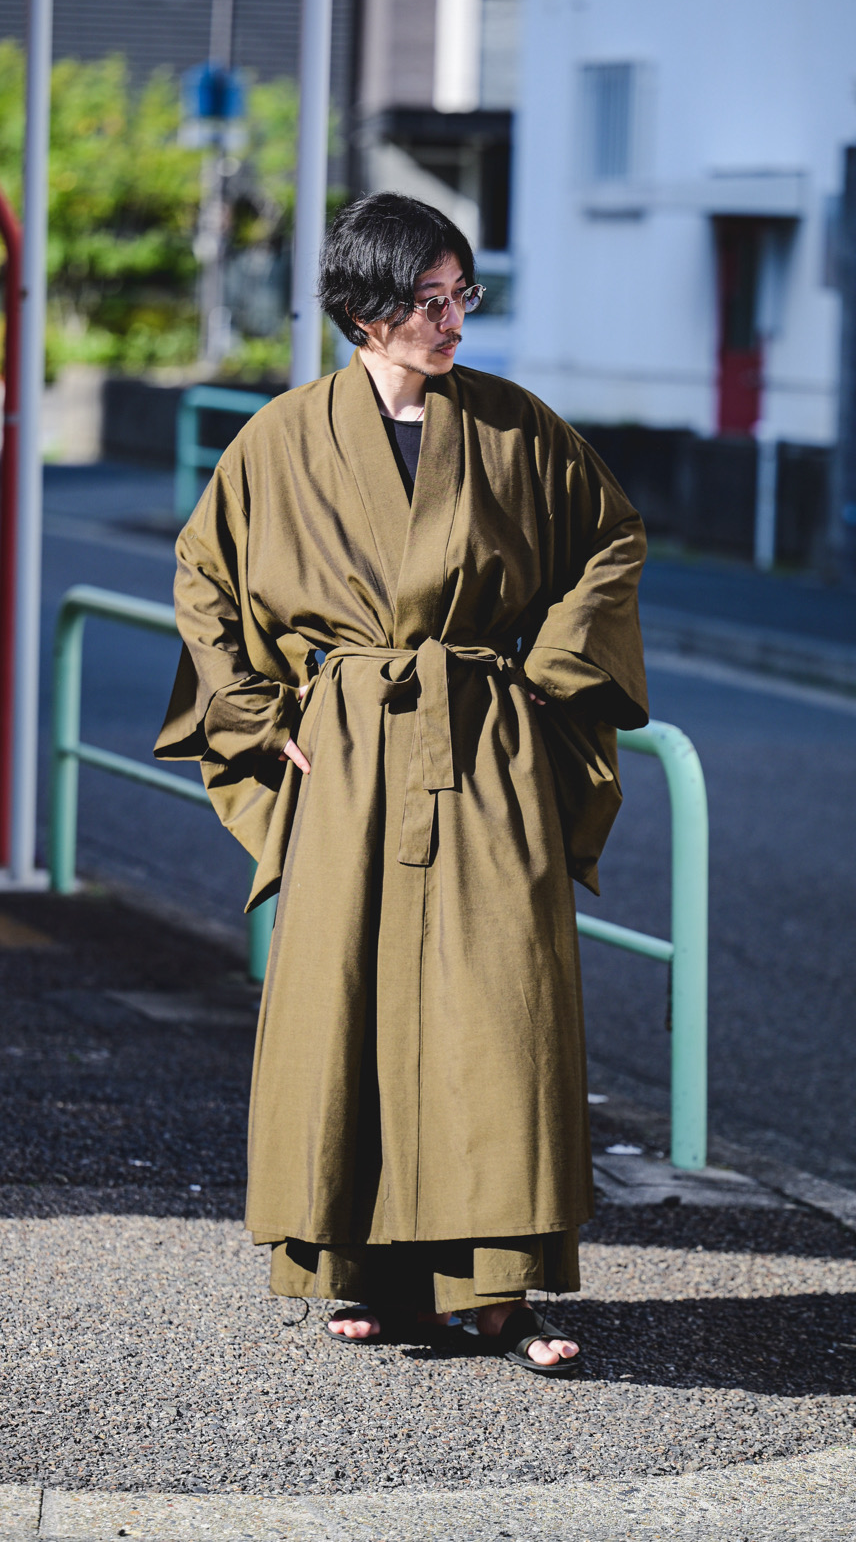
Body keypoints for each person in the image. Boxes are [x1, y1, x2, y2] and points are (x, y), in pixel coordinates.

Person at [155, 192, 648, 1375]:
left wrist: (544, 680)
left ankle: (498, 1293)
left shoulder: (517, 427)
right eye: (429, 299)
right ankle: (366, 1276)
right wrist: (263, 716)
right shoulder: (280, 438)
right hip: (350, 756)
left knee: (501, 1011)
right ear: (366, 308)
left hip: (486, 743)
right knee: (351, 1003)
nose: (453, 320)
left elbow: (612, 540)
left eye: (461, 295)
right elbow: (204, 576)